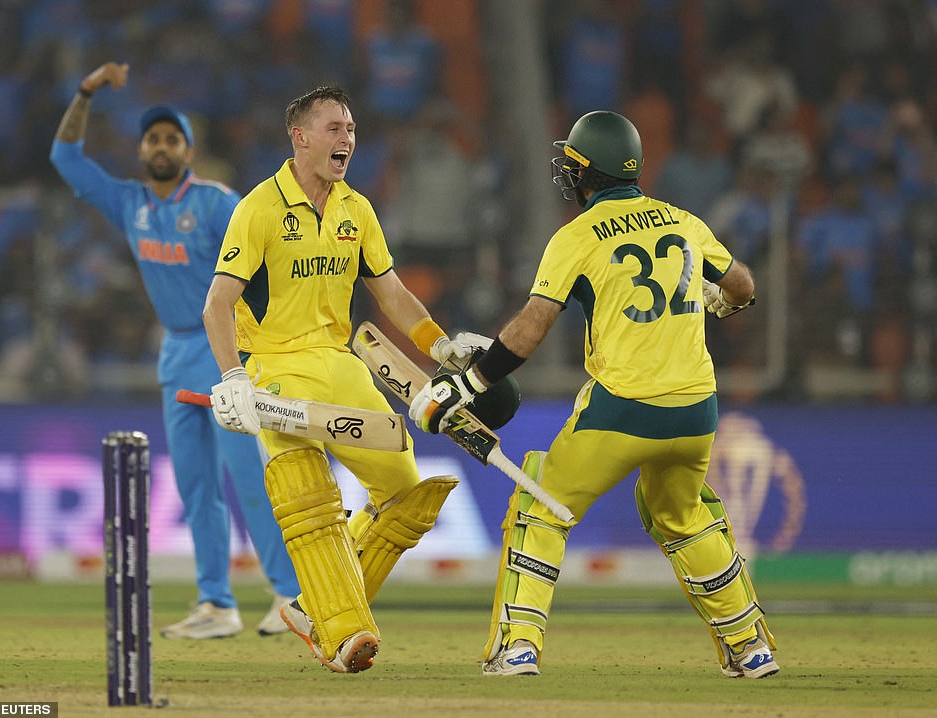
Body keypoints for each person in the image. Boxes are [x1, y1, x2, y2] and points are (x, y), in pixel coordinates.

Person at [410, 111, 780, 679]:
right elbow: (743, 286)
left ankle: (518, 647)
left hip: (625, 408)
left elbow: (532, 327)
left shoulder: (577, 236)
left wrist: (470, 382)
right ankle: (751, 646)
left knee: (541, 504)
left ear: (584, 171)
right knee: (682, 515)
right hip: (696, 409)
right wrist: (722, 303)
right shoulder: (683, 220)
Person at [201, 85, 468, 674]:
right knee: (311, 502)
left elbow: (392, 293)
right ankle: (343, 633)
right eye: (333, 128)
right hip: (275, 370)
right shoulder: (259, 208)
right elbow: (217, 305)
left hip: (340, 364)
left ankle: (310, 608)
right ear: (299, 137)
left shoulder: (358, 210)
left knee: (406, 497)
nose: (346, 138)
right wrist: (233, 378)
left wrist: (439, 346)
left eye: (349, 128)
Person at [50, 61, 302, 639]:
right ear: (141, 148)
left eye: (172, 138)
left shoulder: (217, 204)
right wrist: (86, 91)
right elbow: (65, 159)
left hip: (227, 354)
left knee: (248, 479)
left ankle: (290, 597)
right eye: (153, 137)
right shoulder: (129, 202)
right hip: (175, 353)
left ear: (188, 151)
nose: (161, 146)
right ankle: (217, 604)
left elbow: (266, 266)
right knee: (195, 487)